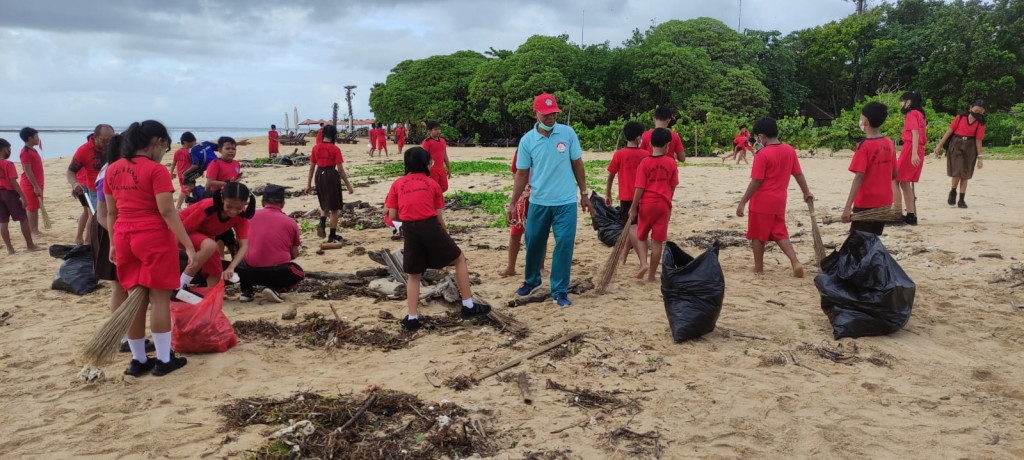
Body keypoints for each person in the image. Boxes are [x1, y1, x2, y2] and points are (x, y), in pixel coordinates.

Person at [104, 120, 196, 377]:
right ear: (156, 142)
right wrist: (188, 245)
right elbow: (167, 210)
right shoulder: (156, 171)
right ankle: (165, 360)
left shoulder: (113, 169)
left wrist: (112, 242)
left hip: (124, 236)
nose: (164, 149)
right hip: (152, 236)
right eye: (165, 144)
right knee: (159, 299)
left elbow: (112, 211)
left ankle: (138, 360)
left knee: (135, 298)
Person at [385, 147, 489, 331]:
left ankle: (412, 318)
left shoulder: (397, 184)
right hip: (430, 225)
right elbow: (438, 216)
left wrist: (409, 215)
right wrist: (445, 233)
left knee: (414, 274)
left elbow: (393, 215)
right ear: (427, 163)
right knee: (459, 258)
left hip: (409, 228)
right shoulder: (432, 184)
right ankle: (468, 305)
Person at [507, 93, 593, 307]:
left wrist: (584, 194)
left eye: (553, 113)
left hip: (565, 202)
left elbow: (578, 164)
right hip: (538, 201)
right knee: (534, 241)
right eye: (546, 114)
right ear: (535, 114)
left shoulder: (568, 133)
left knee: (564, 243)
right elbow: (521, 173)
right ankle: (532, 280)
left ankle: (560, 290)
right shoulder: (527, 140)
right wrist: (513, 202)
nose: (551, 117)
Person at [736, 117, 813, 277]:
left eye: (758, 137)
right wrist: (806, 191)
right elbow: (798, 174)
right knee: (779, 232)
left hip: (762, 200)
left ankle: (758, 268)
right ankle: (795, 262)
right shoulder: (789, 150)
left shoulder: (762, 154)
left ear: (762, 137)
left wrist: (743, 202)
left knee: (757, 234)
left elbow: (756, 180)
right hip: (779, 200)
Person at [91, 152, 152, 353]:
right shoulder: (113, 170)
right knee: (119, 285)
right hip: (114, 232)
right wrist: (121, 237)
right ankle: (124, 337)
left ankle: (126, 336)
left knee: (124, 285)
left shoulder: (116, 168)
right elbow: (104, 214)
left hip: (122, 232)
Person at [175, 182, 254, 298]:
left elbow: (244, 246)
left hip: (206, 239)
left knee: (216, 274)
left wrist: (231, 267)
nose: (233, 211)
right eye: (229, 206)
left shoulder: (241, 216)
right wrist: (188, 250)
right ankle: (181, 285)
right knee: (210, 246)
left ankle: (209, 301)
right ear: (222, 199)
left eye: (238, 208)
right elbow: (181, 230)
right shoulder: (208, 207)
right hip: (180, 230)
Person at [237, 184, 305, 303]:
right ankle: (275, 289)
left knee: (240, 256)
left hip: (248, 272)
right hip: (275, 272)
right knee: (298, 272)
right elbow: (294, 254)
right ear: (283, 203)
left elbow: (239, 243)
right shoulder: (290, 223)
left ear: (263, 202)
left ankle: (247, 292)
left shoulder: (249, 217)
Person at [627, 128, 678, 282]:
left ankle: (643, 263)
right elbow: (673, 185)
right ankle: (651, 276)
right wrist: (668, 200)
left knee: (642, 237)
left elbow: (639, 188)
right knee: (658, 241)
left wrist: (633, 207)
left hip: (647, 204)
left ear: (649, 143)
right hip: (663, 205)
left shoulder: (645, 162)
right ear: (667, 145)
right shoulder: (671, 162)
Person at [841, 102, 897, 235]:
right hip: (885, 201)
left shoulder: (864, 146)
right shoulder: (889, 143)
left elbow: (859, 176)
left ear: (865, 121)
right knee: (873, 240)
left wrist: (848, 207)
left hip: (866, 203)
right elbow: (894, 173)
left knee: (859, 243)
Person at [604, 121, 647, 267]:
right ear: (638, 138)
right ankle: (624, 257)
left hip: (626, 198)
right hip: (643, 198)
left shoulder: (619, 154)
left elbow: (610, 175)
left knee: (631, 228)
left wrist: (608, 194)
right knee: (633, 227)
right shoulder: (646, 155)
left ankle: (641, 261)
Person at [305, 124, 354, 243]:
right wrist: (348, 185)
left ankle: (322, 221)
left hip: (319, 175)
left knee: (324, 203)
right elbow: (340, 170)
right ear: (333, 135)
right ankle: (332, 234)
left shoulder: (315, 148)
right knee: (335, 208)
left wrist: (309, 185)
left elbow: (311, 168)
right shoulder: (335, 149)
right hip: (331, 175)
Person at [934, 99, 986, 209]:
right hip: (956, 143)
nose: (977, 113)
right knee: (957, 171)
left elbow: (978, 140)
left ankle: (961, 199)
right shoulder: (960, 117)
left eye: (980, 112)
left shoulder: (980, 123)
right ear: (971, 107)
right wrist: (939, 146)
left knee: (965, 174)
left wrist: (980, 158)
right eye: (976, 110)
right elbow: (949, 131)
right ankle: (953, 191)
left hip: (971, 146)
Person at [67, 124, 114, 245]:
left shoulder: (117, 146)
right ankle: (89, 244)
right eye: (104, 140)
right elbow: (71, 171)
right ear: (95, 137)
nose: (108, 143)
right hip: (96, 191)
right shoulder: (84, 150)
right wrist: (75, 183)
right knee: (97, 218)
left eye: (111, 139)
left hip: (116, 189)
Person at [0, 138, 42, 254]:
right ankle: (30, 245)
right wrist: (22, 196)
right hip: (9, 193)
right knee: (23, 219)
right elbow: (13, 181)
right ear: (4, 149)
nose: (9, 151)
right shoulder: (8, 164)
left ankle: (9, 248)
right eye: (9, 149)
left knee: (3, 221)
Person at [894, 91, 927, 225]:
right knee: (904, 182)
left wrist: (913, 153)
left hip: (911, 148)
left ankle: (896, 213)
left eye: (902, 101)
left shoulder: (911, 114)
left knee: (895, 179)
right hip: (916, 148)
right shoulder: (921, 114)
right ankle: (911, 215)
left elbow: (915, 133)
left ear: (909, 102)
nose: (901, 104)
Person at [501, 150, 531, 277]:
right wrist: (523, 188)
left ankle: (540, 267)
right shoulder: (521, 151)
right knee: (515, 232)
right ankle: (511, 267)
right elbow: (516, 173)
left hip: (540, 197)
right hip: (523, 197)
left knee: (539, 234)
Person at [18, 127, 43, 238]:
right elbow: (27, 171)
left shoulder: (33, 150)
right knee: (31, 208)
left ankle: (35, 229)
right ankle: (32, 231)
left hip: (38, 182)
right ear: (30, 138)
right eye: (36, 136)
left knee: (36, 206)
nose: (38, 139)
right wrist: (35, 186)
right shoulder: (25, 152)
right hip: (30, 184)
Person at [422, 120, 452, 192]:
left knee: (444, 187)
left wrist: (449, 168)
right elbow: (424, 157)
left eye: (439, 129)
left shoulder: (442, 140)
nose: (438, 131)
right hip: (432, 169)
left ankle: (436, 198)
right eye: (435, 129)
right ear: (430, 131)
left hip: (441, 168)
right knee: (433, 187)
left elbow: (445, 155)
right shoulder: (427, 142)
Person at [171, 132, 197, 209]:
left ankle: (188, 204)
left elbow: (173, 163)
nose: (194, 144)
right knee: (185, 190)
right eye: (193, 142)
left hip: (180, 174)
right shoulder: (190, 152)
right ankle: (178, 206)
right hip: (188, 174)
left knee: (187, 189)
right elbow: (195, 163)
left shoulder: (177, 152)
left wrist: (171, 173)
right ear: (186, 142)